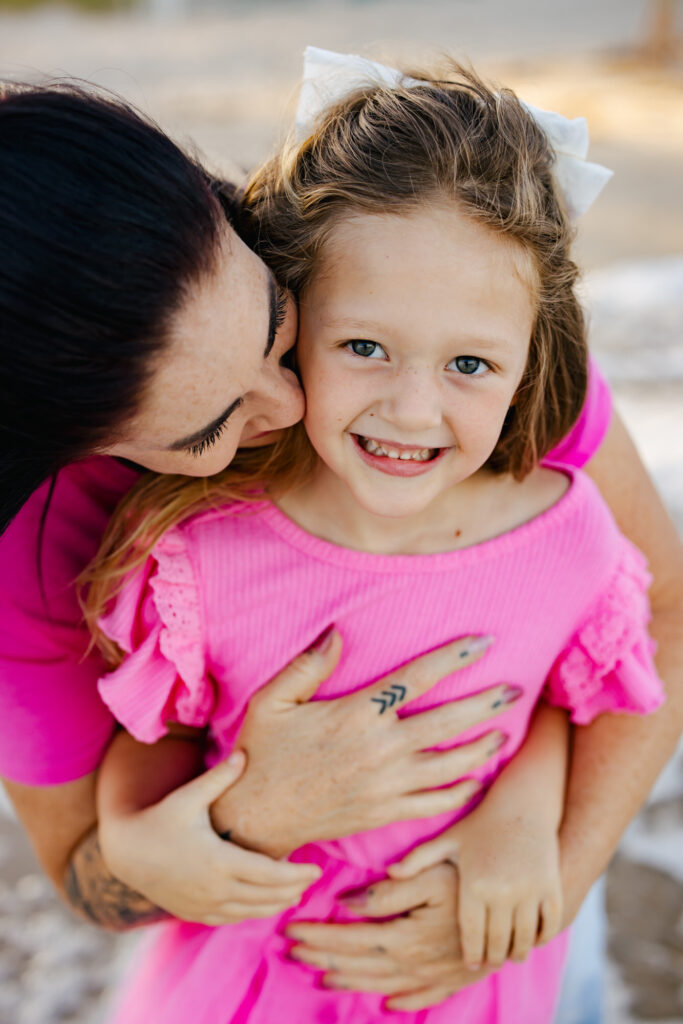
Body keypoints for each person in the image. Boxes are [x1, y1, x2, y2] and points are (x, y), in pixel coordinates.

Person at [0, 73, 681, 1013]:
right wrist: (251, 810)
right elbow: (89, 870)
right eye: (213, 427)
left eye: (277, 333)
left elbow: (647, 614)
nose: (293, 406)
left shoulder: (443, 320)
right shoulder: (95, 557)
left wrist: (550, 850)